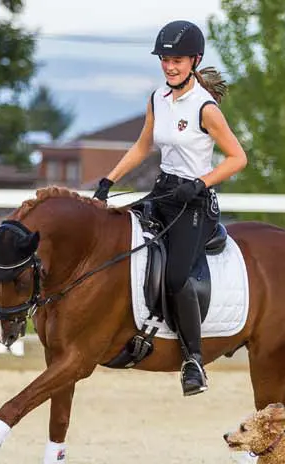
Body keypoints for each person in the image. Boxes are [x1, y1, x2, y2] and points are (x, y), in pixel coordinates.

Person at [90, 20, 247, 396]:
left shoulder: (204, 108)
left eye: (176, 60)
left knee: (176, 277)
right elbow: (142, 147)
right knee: (117, 239)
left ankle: (193, 360)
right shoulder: (157, 99)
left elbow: (237, 157)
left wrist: (200, 183)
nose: (169, 66)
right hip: (163, 191)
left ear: (194, 60)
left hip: (194, 202)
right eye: (164, 60)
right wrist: (108, 181)